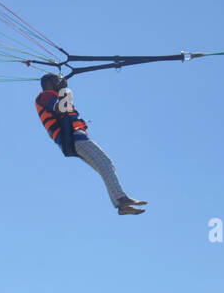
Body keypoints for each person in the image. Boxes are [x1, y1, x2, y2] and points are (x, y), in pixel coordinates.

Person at [36, 74, 146, 215]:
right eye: (56, 81)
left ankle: (121, 204)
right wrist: (64, 90)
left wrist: (64, 92)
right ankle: (121, 200)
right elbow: (61, 109)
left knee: (105, 165)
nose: (59, 84)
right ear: (49, 83)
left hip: (75, 138)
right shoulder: (45, 96)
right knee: (105, 163)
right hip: (72, 138)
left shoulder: (54, 96)